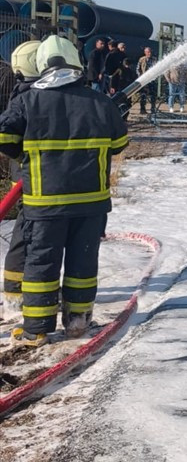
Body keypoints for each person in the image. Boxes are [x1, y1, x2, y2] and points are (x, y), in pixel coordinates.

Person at [0, 35, 128, 348]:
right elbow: (118, 144)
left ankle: (36, 329)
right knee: (83, 265)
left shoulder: (27, 101)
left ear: (42, 66)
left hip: (45, 204)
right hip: (91, 203)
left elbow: (4, 136)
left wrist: (25, 156)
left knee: (42, 263)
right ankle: (78, 321)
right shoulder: (101, 102)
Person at [1, 41, 42, 320]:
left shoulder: (22, 90)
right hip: (33, 174)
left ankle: (18, 291)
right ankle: (15, 294)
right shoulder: (31, 96)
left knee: (27, 229)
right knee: (27, 231)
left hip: (28, 170)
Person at [136, 46, 158, 115]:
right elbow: (137, 69)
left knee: (153, 95)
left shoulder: (154, 59)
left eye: (150, 52)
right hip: (144, 80)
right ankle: (142, 109)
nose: (149, 53)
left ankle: (153, 109)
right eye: (148, 52)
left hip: (152, 80)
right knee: (143, 95)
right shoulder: (141, 59)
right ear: (145, 53)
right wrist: (140, 77)